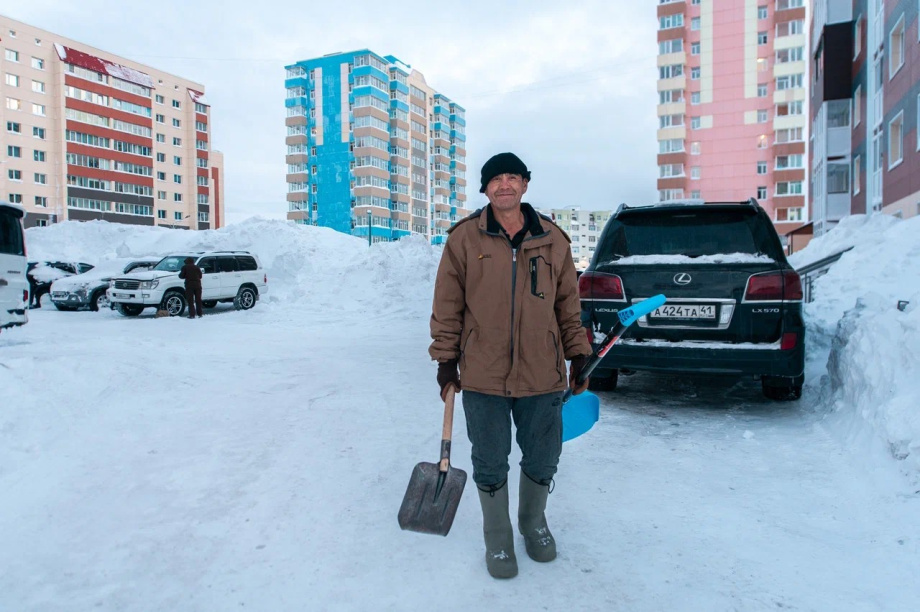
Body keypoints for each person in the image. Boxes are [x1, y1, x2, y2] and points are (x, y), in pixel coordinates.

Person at [429, 152, 593, 579]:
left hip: (542, 372)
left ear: (524, 184)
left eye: (512, 177)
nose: (504, 185)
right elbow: (447, 305)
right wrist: (446, 360)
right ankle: (498, 537)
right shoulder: (464, 239)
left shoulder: (554, 240)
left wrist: (577, 353)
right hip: (482, 372)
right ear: (485, 188)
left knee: (543, 455)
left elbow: (568, 306)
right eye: (496, 179)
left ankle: (532, 522)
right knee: (489, 459)